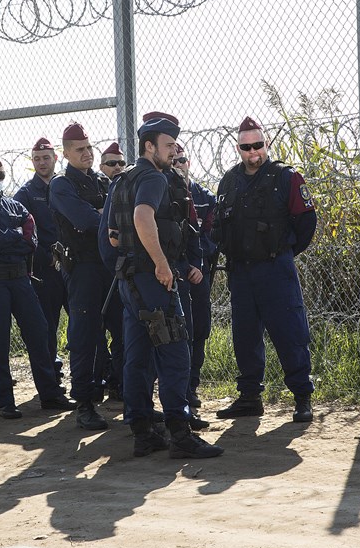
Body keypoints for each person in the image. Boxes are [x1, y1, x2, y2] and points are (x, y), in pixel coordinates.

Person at [109, 113, 223, 458]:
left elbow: (113, 236)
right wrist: (160, 263)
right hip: (153, 279)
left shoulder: (124, 179)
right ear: (150, 147)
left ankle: (143, 432)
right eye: (169, 145)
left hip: (130, 280)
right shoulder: (153, 178)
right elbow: (142, 217)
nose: (174, 151)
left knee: (138, 356)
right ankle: (180, 434)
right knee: (175, 353)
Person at [211, 116, 317, 423]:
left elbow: (306, 222)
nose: (252, 152)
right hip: (241, 272)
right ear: (238, 149)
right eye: (246, 147)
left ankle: (302, 397)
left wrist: (283, 252)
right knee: (245, 336)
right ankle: (249, 397)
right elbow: (219, 223)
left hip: (275, 269)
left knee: (289, 333)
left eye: (258, 145)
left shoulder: (286, 177)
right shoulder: (229, 181)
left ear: (266, 144)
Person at [0, 150, 75, 419]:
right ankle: (4, 401)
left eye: (0, 174)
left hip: (20, 279)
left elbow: (31, 240)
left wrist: (6, 239)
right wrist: (14, 236)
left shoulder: (14, 206)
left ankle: (50, 394)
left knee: (39, 333)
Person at [49, 122, 114, 431]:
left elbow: (114, 216)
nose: (87, 153)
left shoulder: (102, 181)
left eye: (89, 147)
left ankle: (126, 394)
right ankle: (85, 403)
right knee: (85, 336)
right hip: (83, 268)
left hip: (109, 266)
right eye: (80, 149)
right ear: (66, 154)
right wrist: (102, 215)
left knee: (124, 331)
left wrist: (102, 215)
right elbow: (85, 219)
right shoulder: (61, 185)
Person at [12, 137, 67, 385]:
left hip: (73, 265)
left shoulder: (66, 186)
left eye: (46, 158)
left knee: (83, 322)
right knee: (47, 325)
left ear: (55, 158)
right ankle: (51, 378)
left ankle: (91, 377)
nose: (42, 163)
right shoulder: (25, 194)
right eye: (37, 159)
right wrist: (47, 256)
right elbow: (23, 233)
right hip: (45, 269)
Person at [172, 142, 217, 409]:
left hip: (201, 273)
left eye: (182, 159)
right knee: (181, 331)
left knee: (199, 328)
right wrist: (187, 266)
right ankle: (181, 389)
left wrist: (198, 265)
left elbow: (211, 235)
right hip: (178, 271)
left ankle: (193, 384)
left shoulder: (205, 198)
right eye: (174, 160)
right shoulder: (164, 193)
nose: (179, 164)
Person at [94, 141, 127, 402]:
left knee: (120, 331)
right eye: (111, 163)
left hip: (118, 271)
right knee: (94, 333)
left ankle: (117, 383)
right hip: (94, 271)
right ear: (101, 166)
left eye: (120, 163)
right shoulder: (94, 186)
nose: (117, 167)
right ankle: (95, 384)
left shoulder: (127, 185)